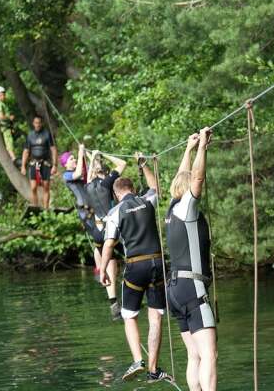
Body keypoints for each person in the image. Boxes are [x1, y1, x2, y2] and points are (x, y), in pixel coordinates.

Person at [99, 157, 172, 382]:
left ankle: (138, 359)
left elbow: (109, 244)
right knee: (156, 316)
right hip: (158, 263)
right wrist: (144, 165)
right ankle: (153, 369)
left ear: (116, 194)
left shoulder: (114, 213)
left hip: (135, 265)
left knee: (128, 315)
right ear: (132, 189)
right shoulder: (147, 200)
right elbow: (155, 186)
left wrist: (103, 270)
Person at [166, 127, 217, 391]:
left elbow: (183, 176)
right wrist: (202, 147)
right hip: (191, 288)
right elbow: (195, 178)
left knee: (194, 355)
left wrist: (188, 148)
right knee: (209, 354)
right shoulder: (186, 207)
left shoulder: (172, 209)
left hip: (174, 291)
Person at [59, 146, 124, 320]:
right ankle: (101, 271)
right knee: (105, 251)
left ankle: (102, 271)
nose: (74, 160)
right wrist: (82, 153)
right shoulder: (67, 175)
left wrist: (90, 154)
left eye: (74, 158)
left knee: (102, 248)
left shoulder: (91, 182)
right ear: (65, 164)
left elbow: (89, 172)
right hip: (89, 215)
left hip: (95, 215)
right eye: (70, 159)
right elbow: (81, 173)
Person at [85, 150, 127, 318]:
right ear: (107, 174)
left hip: (97, 231)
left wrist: (94, 157)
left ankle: (114, 303)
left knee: (107, 260)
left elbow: (89, 174)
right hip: (111, 229)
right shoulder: (107, 184)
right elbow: (122, 164)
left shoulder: (88, 185)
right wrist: (103, 154)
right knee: (122, 259)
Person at [20, 115, 57, 209]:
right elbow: (26, 151)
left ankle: (46, 209)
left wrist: (55, 165)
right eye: (36, 123)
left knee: (46, 187)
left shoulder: (47, 134)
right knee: (33, 187)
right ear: (33, 123)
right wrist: (23, 166)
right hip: (34, 163)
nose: (37, 125)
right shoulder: (30, 135)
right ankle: (35, 207)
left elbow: (53, 149)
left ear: (42, 123)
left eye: (39, 123)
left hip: (45, 163)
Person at [0, 86, 19, 164]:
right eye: (1, 95)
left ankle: (13, 156)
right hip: (5, 127)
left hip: (8, 126)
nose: (3, 96)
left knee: (11, 141)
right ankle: (13, 158)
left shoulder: (3, 103)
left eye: (3, 94)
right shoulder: (0, 104)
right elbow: (1, 117)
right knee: (9, 142)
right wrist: (9, 117)